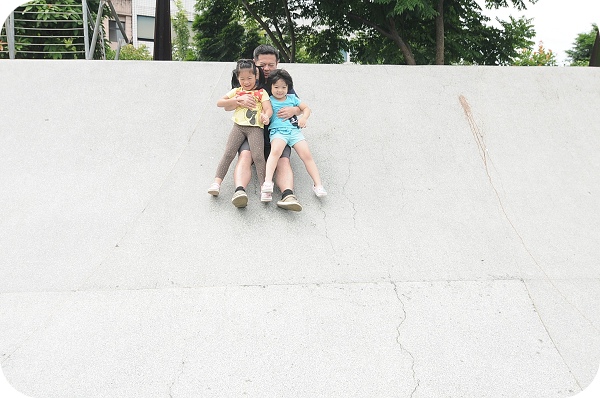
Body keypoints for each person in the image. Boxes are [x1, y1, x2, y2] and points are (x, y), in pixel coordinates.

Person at [228, 45, 303, 211]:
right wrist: (238, 102)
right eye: (263, 65)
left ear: (278, 63)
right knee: (246, 155)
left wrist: (294, 110)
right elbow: (229, 103)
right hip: (253, 131)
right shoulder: (248, 79)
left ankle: (288, 195)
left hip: (279, 133)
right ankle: (240, 191)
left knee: (283, 160)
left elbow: (298, 105)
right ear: (255, 63)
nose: (267, 69)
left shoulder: (281, 81)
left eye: (271, 65)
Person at [207, 59, 273, 202]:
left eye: (249, 78)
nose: (246, 82)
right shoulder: (237, 91)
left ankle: (265, 188)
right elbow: (220, 102)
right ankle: (216, 183)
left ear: (256, 76)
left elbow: (268, 109)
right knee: (228, 153)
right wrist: (237, 100)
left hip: (255, 129)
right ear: (237, 78)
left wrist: (265, 116)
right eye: (242, 79)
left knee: (258, 156)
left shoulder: (261, 93)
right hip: (238, 127)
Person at [261, 69, 327, 199]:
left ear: (288, 87)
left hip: (294, 132)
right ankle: (268, 182)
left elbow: (306, 109)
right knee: (275, 151)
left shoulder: (292, 98)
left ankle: (318, 185)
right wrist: (266, 118)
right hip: (278, 132)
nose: (280, 90)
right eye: (276, 87)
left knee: (307, 155)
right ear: (271, 87)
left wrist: (303, 118)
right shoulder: (269, 100)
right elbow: (266, 112)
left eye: (283, 87)